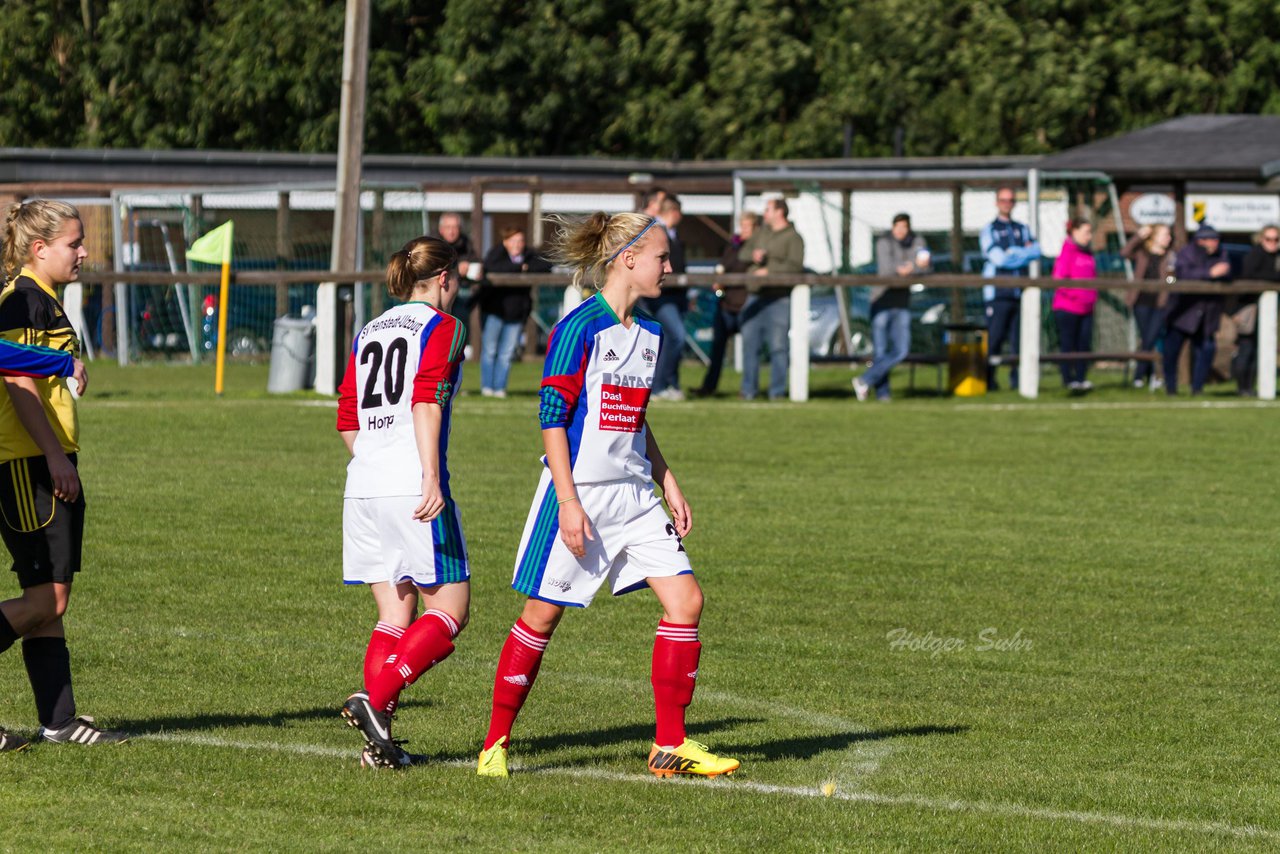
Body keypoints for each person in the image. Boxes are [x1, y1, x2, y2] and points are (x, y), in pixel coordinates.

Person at [475, 211, 739, 780]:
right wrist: (568, 502)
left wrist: (666, 479)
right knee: (541, 617)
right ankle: (495, 744)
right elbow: (551, 416)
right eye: (663, 258)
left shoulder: (649, 333)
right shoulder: (579, 328)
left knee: (686, 603)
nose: (670, 267)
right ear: (628, 259)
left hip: (635, 495)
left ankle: (670, 745)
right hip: (582, 495)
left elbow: (635, 420)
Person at [337, 236, 470, 769]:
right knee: (452, 609)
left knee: (395, 611)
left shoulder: (370, 329)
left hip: (363, 483)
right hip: (412, 486)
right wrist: (429, 476)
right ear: (443, 280)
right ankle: (376, 698)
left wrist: (377, 458)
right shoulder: (444, 326)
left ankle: (379, 745)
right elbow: (425, 400)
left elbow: (348, 416)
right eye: (455, 280)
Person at [0, 199, 126, 751]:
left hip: (47, 458)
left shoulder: (46, 301)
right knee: (46, 599)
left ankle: (59, 720)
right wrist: (52, 456)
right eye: (74, 243)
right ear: (39, 249)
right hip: (25, 462)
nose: (84, 252)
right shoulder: (22, 299)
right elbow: (18, 382)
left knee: (49, 597)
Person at [853, 213, 930, 402]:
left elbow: (926, 266)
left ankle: (864, 380)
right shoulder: (884, 242)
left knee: (901, 350)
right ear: (893, 227)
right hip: (882, 301)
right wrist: (905, 269)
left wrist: (913, 268)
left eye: (905, 227)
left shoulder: (917, 241)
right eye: (898, 227)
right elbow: (886, 270)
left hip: (901, 303)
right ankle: (883, 394)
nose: (901, 231)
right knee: (880, 351)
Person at [739, 197, 804, 400]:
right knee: (750, 345)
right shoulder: (761, 233)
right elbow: (743, 253)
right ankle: (748, 391)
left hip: (778, 298)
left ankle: (777, 392)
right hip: (755, 296)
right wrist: (754, 255)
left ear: (779, 212)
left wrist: (770, 271)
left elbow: (795, 267)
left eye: (768, 209)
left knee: (778, 347)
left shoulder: (794, 237)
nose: (764, 213)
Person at [478, 227, 552, 398]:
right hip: (495, 310)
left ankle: (499, 388)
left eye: (520, 241)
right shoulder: (497, 253)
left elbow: (546, 264)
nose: (517, 245)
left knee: (506, 353)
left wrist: (523, 266)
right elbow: (491, 266)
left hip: (517, 312)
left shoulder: (528, 255)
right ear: (505, 242)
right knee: (489, 350)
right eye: (513, 241)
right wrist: (519, 267)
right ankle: (487, 387)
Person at [980, 187, 1041, 390]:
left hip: (1020, 292)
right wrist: (1020, 254)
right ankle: (988, 380)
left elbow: (1036, 251)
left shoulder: (1022, 228)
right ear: (997, 202)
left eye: (1010, 200)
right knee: (995, 339)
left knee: (1020, 342)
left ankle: (1018, 382)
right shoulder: (989, 230)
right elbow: (998, 258)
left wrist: (1013, 252)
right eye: (1003, 200)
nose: (1007, 203)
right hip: (998, 294)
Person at [694, 211, 757, 396]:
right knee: (717, 349)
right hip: (727, 304)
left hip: (745, 304)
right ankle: (708, 387)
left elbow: (740, 265)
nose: (743, 230)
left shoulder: (754, 248)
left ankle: (748, 390)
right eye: (742, 225)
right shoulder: (734, 245)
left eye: (747, 226)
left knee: (749, 350)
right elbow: (725, 263)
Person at [1165, 224, 1231, 396]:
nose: (1216, 243)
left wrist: (1224, 273)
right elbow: (1177, 277)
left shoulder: (1221, 253)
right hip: (1183, 313)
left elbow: (1228, 274)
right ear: (1200, 240)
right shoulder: (1186, 253)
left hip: (1207, 314)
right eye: (1212, 239)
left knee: (1207, 350)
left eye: (1217, 239)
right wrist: (1209, 273)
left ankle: (1197, 389)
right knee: (1171, 352)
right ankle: (1170, 388)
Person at [641, 196, 688, 400]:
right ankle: (659, 385)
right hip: (662, 295)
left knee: (671, 338)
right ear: (674, 212)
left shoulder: (674, 235)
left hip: (676, 294)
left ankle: (670, 383)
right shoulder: (658, 233)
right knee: (676, 335)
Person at [1119, 224, 1174, 389]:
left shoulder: (1170, 256)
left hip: (1160, 303)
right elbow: (1124, 253)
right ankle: (1151, 377)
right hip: (1141, 301)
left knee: (1150, 339)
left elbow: (1174, 279)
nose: (1168, 238)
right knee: (1146, 340)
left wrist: (1170, 282)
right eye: (1165, 234)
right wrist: (1138, 236)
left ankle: (1138, 376)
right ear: (1154, 236)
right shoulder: (1142, 253)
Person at [1050, 218, 1099, 392]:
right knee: (1067, 344)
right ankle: (1067, 379)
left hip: (1087, 308)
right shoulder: (1067, 252)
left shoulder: (1088, 253)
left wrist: (1091, 296)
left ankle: (1080, 378)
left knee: (1083, 344)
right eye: (1086, 232)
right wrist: (1076, 296)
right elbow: (1059, 280)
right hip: (1068, 308)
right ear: (1074, 232)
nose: (1089, 236)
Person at [1233, 224, 1280, 396]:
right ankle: (1242, 387)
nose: (1272, 243)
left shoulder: (1276, 257)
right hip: (1249, 307)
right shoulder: (1255, 254)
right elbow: (1250, 275)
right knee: (1246, 347)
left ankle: (1251, 387)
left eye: (1276, 239)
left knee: (1262, 348)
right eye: (1269, 239)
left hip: (1269, 308)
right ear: (1261, 239)